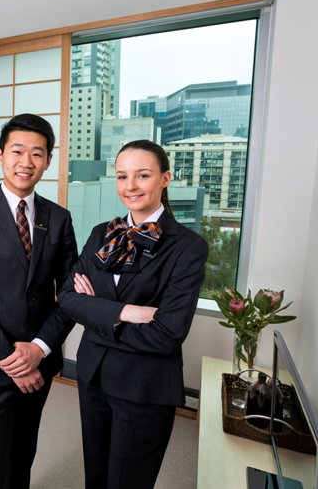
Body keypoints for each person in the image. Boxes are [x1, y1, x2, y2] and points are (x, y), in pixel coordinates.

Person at [58, 139, 208, 489]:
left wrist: (97, 313)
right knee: (95, 475)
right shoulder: (101, 234)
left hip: (144, 385)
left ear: (165, 178)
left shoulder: (188, 247)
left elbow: (166, 333)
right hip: (93, 374)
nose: (130, 186)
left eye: (142, 175)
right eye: (122, 176)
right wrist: (128, 311)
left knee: (128, 482)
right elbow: (66, 298)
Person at [0, 113, 78, 489]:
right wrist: (13, 360)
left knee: (24, 452)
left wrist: (38, 350)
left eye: (37, 154)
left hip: (41, 359)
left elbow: (68, 294)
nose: (27, 162)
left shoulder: (59, 218)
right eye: (18, 151)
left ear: (48, 161)